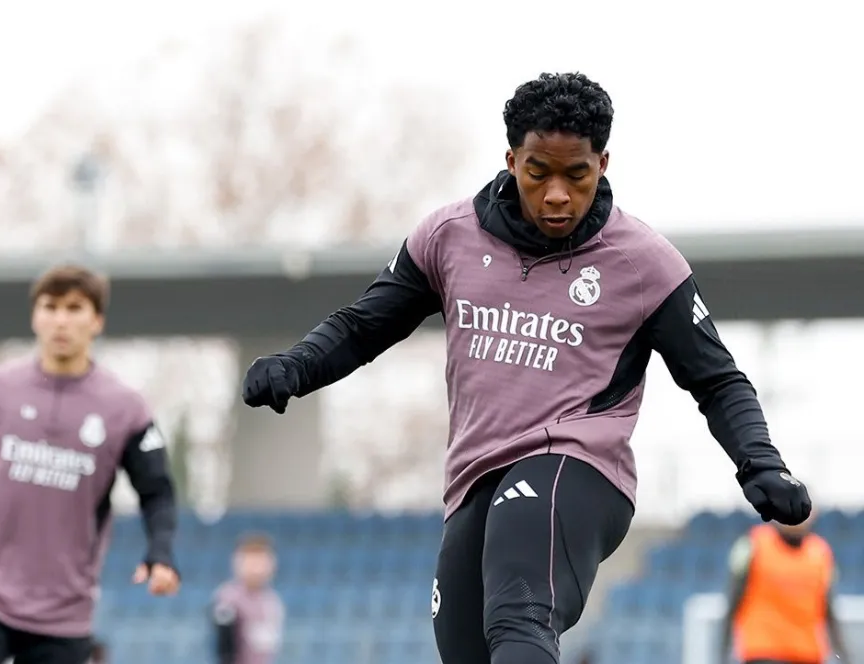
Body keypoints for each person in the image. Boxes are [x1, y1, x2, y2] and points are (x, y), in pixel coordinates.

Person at [240, 72, 812, 664]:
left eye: (577, 174)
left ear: (604, 163)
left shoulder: (645, 263)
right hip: (475, 481)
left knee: (519, 610)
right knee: (467, 648)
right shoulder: (447, 237)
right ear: (512, 160)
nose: (558, 194)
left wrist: (760, 464)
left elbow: (717, 380)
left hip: (579, 470)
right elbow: (365, 324)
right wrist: (297, 364)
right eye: (539, 173)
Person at [0, 264, 180, 664]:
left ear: (96, 321)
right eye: (50, 306)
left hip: (65, 611)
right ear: (35, 316)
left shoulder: (125, 409)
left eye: (74, 308)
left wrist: (160, 552)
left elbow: (157, 490)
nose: (61, 319)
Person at [721, 513, 848, 664]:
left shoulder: (821, 553)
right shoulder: (752, 544)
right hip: (763, 651)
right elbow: (733, 601)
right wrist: (723, 652)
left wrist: (845, 656)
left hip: (808, 654)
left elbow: (829, 611)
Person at [212, 533, 285, 664]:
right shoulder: (228, 598)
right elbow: (225, 647)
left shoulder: (272, 601)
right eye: (251, 560)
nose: (256, 568)